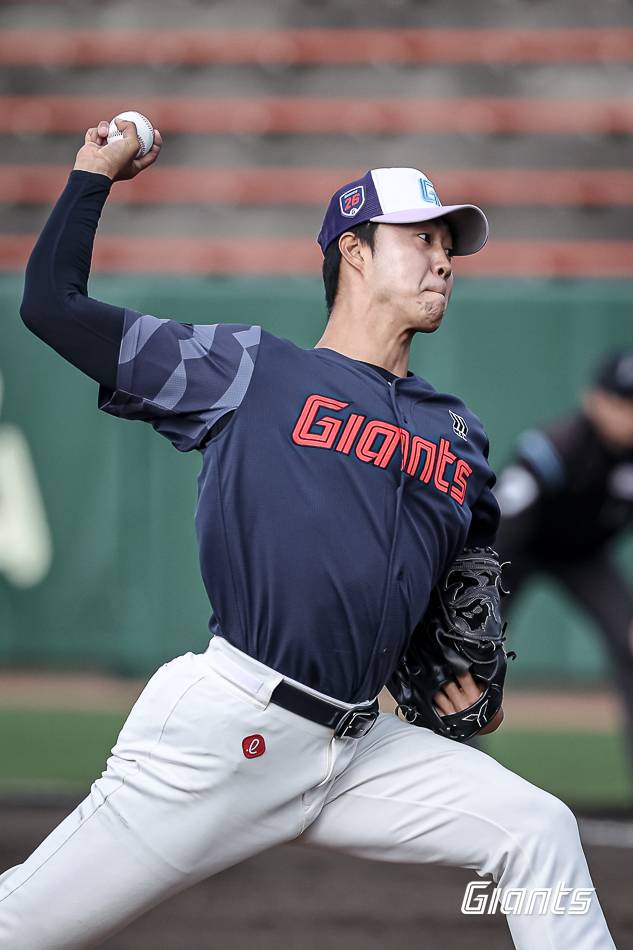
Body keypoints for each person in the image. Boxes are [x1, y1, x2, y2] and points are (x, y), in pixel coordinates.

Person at [0, 119, 615, 949]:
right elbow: (52, 307)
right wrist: (92, 173)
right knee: (23, 924)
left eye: (448, 245)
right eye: (420, 237)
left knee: (536, 830)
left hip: (361, 748)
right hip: (228, 732)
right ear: (353, 251)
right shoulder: (250, 371)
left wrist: (456, 684)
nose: (442, 258)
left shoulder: (457, 435)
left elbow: (448, 608)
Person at [495, 350, 633, 763]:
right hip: (517, 551)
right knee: (472, 645)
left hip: (584, 557)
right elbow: (503, 519)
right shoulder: (557, 445)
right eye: (621, 402)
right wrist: (477, 596)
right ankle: (461, 759)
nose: (630, 415)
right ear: (594, 401)